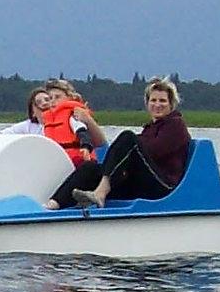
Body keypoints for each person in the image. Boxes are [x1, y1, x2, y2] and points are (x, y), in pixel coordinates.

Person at [44, 76, 191, 210]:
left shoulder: (175, 125)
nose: (157, 105)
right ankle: (53, 204)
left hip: (163, 186)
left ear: (171, 104)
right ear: (147, 103)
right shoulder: (150, 129)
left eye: (162, 101)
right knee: (90, 168)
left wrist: (127, 153)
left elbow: (154, 152)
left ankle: (100, 193)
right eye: (153, 100)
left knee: (127, 137)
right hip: (140, 183)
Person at [38, 79, 107, 164]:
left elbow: (82, 132)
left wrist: (86, 146)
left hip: (76, 159)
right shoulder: (47, 121)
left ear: (70, 98)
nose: (53, 101)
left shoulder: (72, 116)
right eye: (50, 98)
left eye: (57, 97)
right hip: (57, 161)